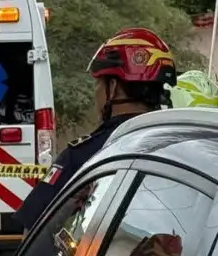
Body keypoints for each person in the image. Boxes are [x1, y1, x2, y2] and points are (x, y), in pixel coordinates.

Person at [14, 27, 176, 230]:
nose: (96, 93)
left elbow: (33, 229)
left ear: (113, 87)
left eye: (99, 84)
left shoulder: (83, 155)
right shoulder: (180, 149)